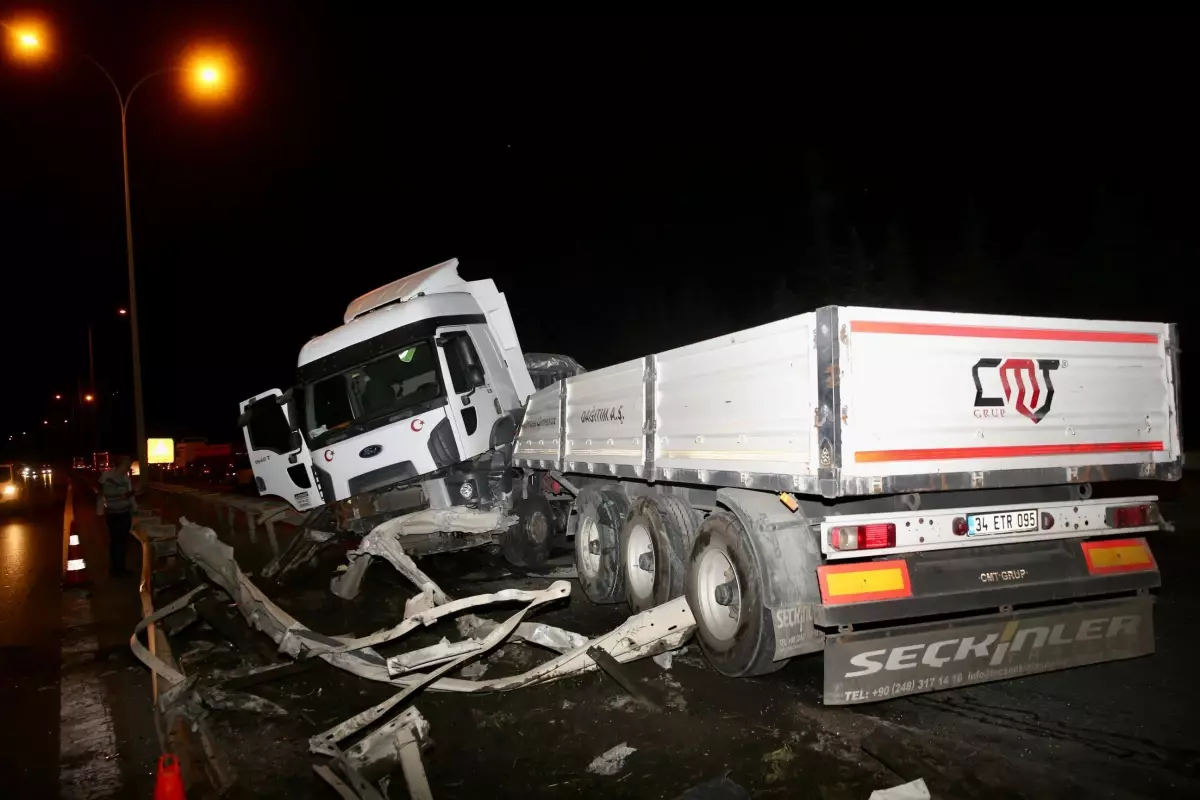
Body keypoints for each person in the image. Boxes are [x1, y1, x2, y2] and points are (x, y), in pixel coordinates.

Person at [96, 455, 137, 576]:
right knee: (116, 542)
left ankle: (120, 567)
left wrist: (134, 507)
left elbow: (129, 496)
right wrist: (99, 511)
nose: (129, 467)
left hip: (125, 513)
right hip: (114, 515)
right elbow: (105, 494)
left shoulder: (125, 477)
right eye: (127, 465)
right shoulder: (107, 477)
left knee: (123, 542)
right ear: (121, 464)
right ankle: (116, 569)